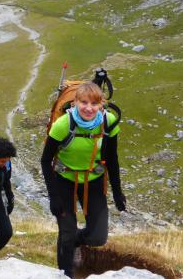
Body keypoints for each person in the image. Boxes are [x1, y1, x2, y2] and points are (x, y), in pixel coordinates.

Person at [41, 82, 125, 278]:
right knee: (66, 233)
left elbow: (112, 159)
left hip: (94, 180)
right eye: (84, 102)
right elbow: (46, 161)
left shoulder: (109, 121)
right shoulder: (63, 124)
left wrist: (118, 192)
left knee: (98, 237)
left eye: (94, 103)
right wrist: (53, 196)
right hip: (64, 180)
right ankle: (65, 273)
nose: (89, 108)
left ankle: (75, 241)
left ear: (101, 104)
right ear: (75, 102)